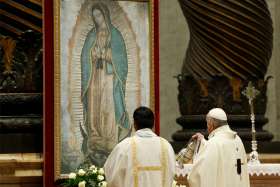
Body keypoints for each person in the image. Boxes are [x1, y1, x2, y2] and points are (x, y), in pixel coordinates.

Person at [80, 3, 130, 166]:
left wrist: (108, 54)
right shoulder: (91, 36)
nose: (97, 19)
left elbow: (121, 59)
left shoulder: (115, 35)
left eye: (99, 16)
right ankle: (95, 139)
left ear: (105, 15)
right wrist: (92, 55)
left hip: (109, 77)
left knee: (107, 106)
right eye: (95, 17)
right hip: (94, 76)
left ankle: (109, 140)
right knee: (95, 106)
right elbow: (84, 57)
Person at [104, 106, 176, 187]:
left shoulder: (124, 146)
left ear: (134, 124)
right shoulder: (166, 146)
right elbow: (171, 172)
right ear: (153, 124)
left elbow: (112, 176)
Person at [187, 108, 250, 187]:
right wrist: (202, 141)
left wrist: (197, 154)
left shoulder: (214, 143)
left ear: (211, 124)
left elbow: (198, 175)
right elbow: (218, 151)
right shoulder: (237, 139)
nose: (207, 127)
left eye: (207, 123)